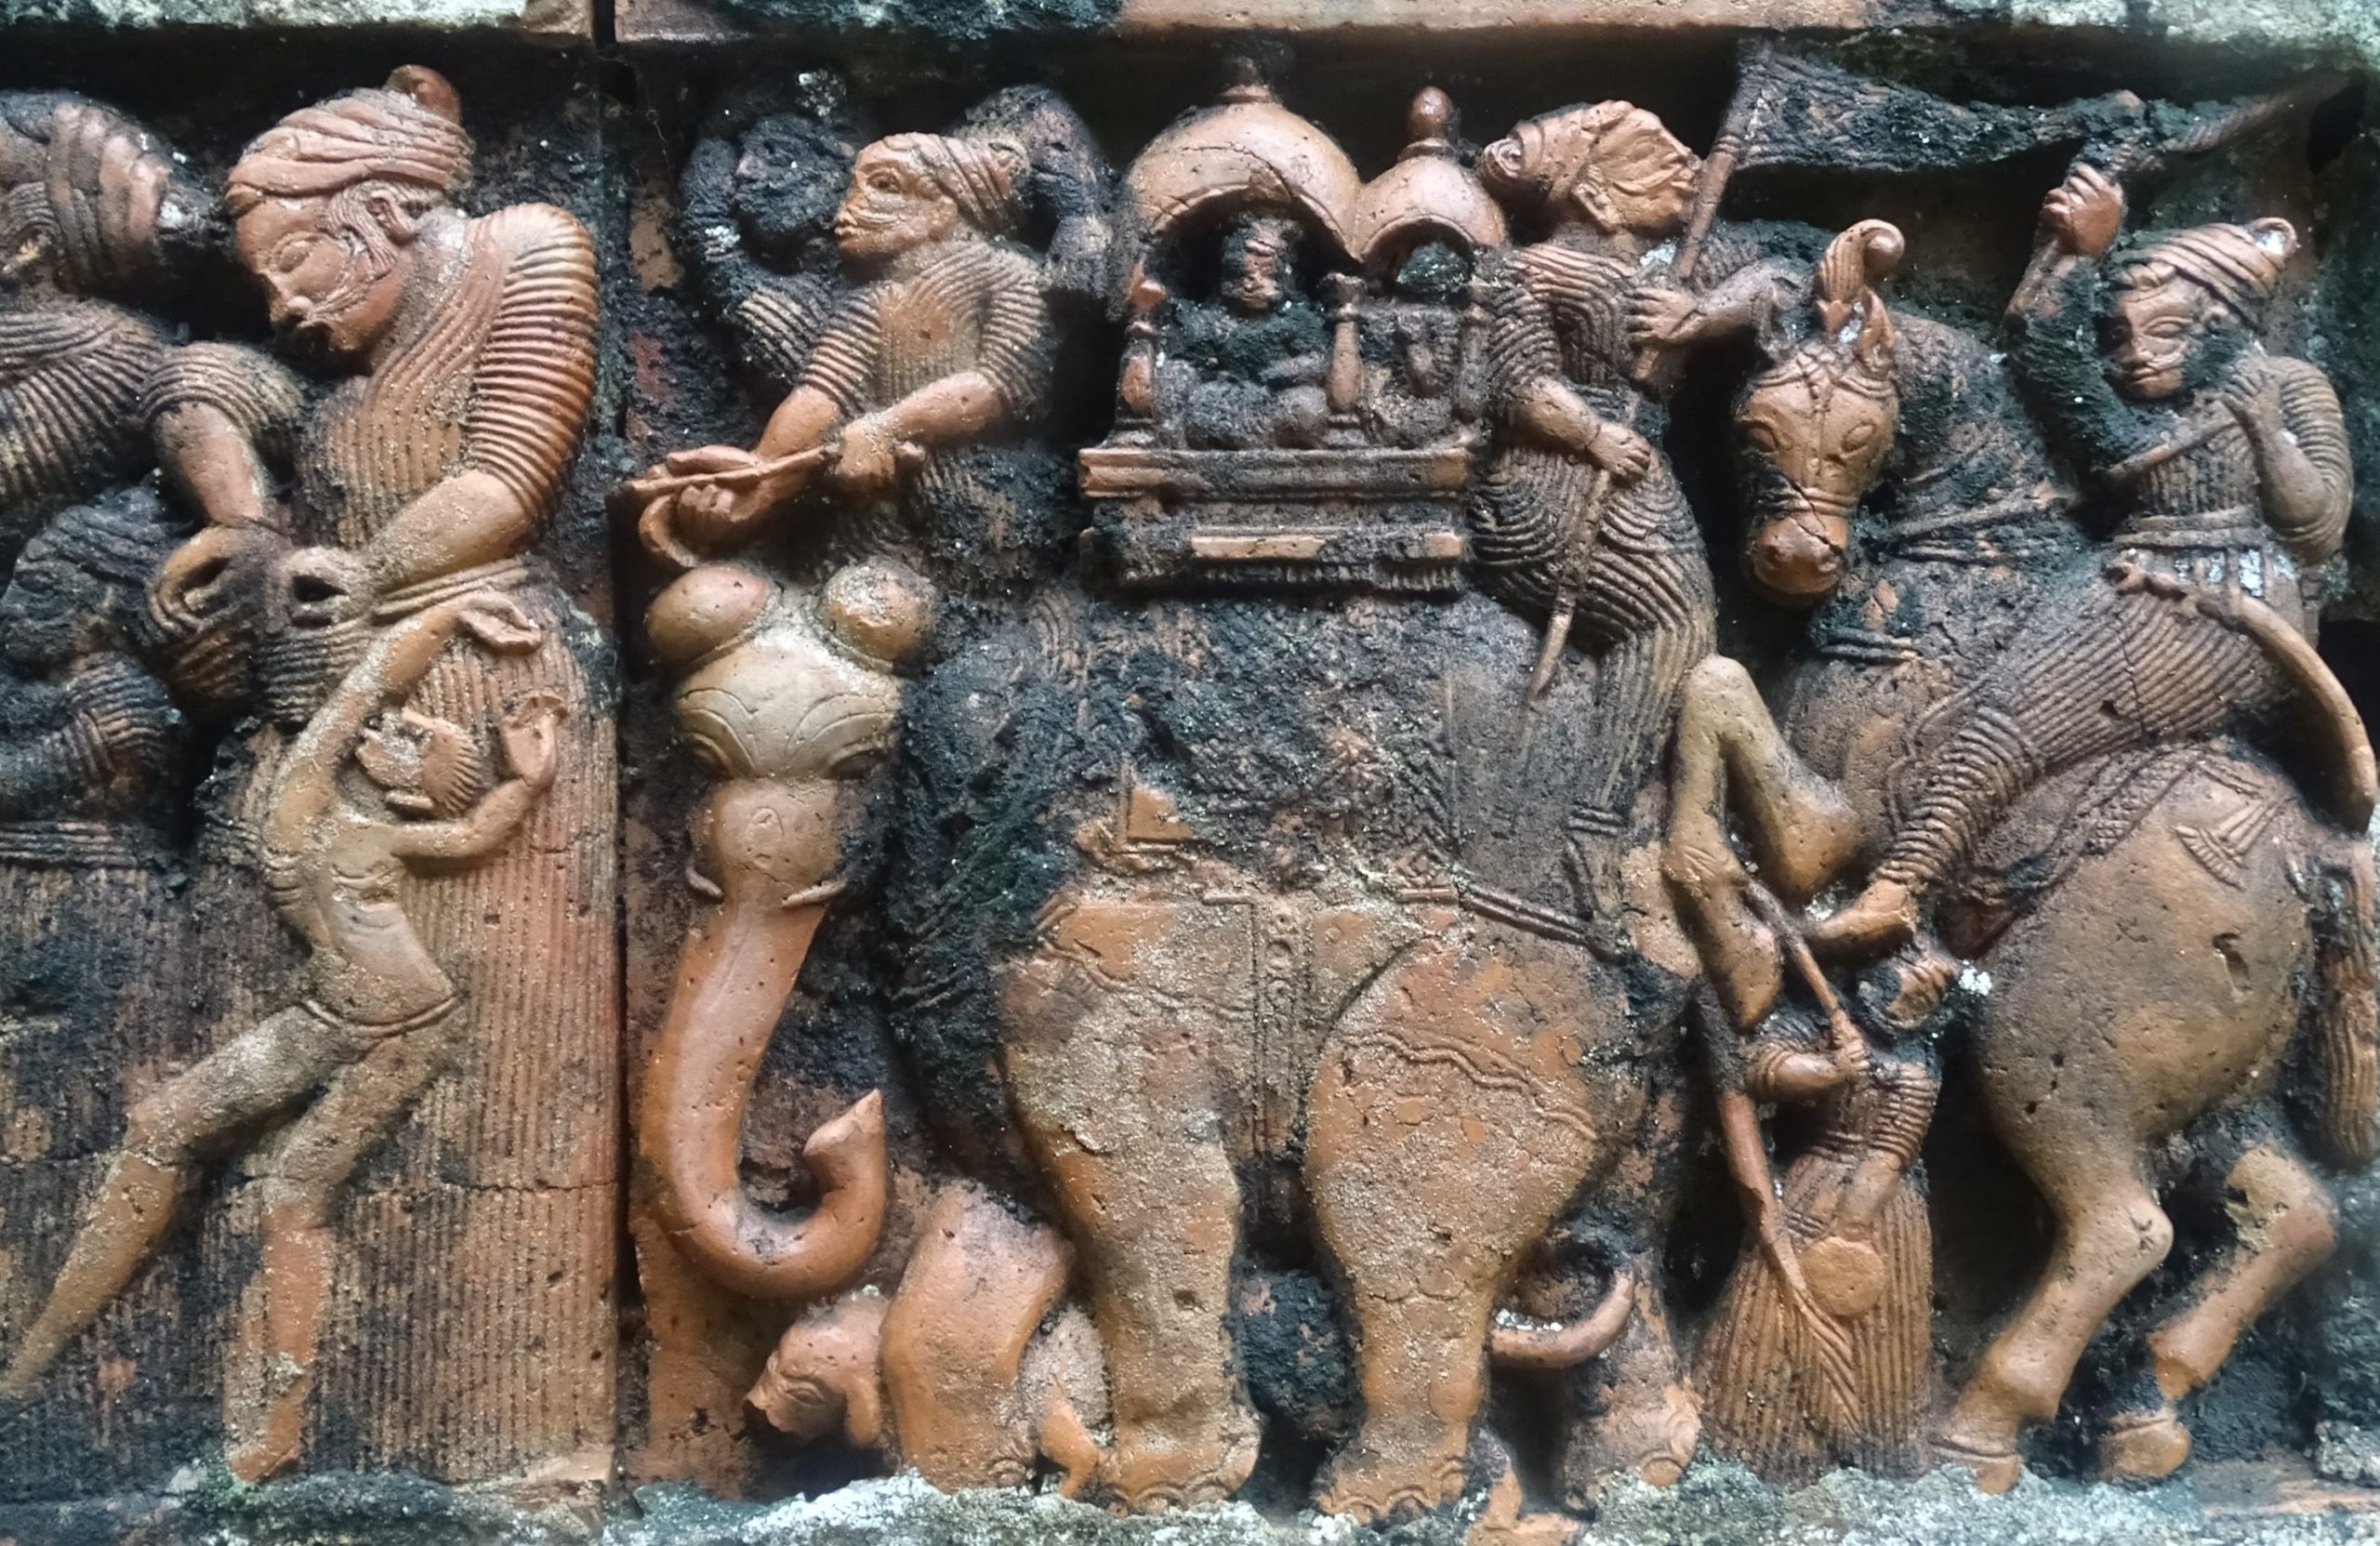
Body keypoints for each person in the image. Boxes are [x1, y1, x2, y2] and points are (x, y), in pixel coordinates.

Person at [0, 589, 562, 1481]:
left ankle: (277, 1426)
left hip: (403, 1024)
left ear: (403, 786)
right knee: (161, 1126)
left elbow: (427, 783)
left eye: (412, 738)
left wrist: (520, 768)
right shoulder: (339, 825)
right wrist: (446, 623)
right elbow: (374, 723)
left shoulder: (363, 833)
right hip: (335, 1015)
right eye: (408, 723)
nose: (393, 725)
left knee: (292, 1195)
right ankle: (38, 1350)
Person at [1810, 166, 2354, 957]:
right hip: (2124, 580)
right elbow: (2049, 363)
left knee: (2012, 720)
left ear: (2226, 321)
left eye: (2166, 333)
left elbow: (2318, 529)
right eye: (2121, 338)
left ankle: (1900, 889)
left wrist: (2267, 430)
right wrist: (2077, 253)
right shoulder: (2133, 417)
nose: (2136, 357)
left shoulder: (2289, 385)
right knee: (1969, 693)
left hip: (2225, 604)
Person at [630, 130, 1056, 588]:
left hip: (985, 513)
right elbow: (821, 395)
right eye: (855, 186)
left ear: (942, 211)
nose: (847, 208)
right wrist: (761, 477)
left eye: (884, 185)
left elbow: (1002, 384)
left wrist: (888, 427)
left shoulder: (1011, 275)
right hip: (879, 529)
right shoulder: (869, 303)